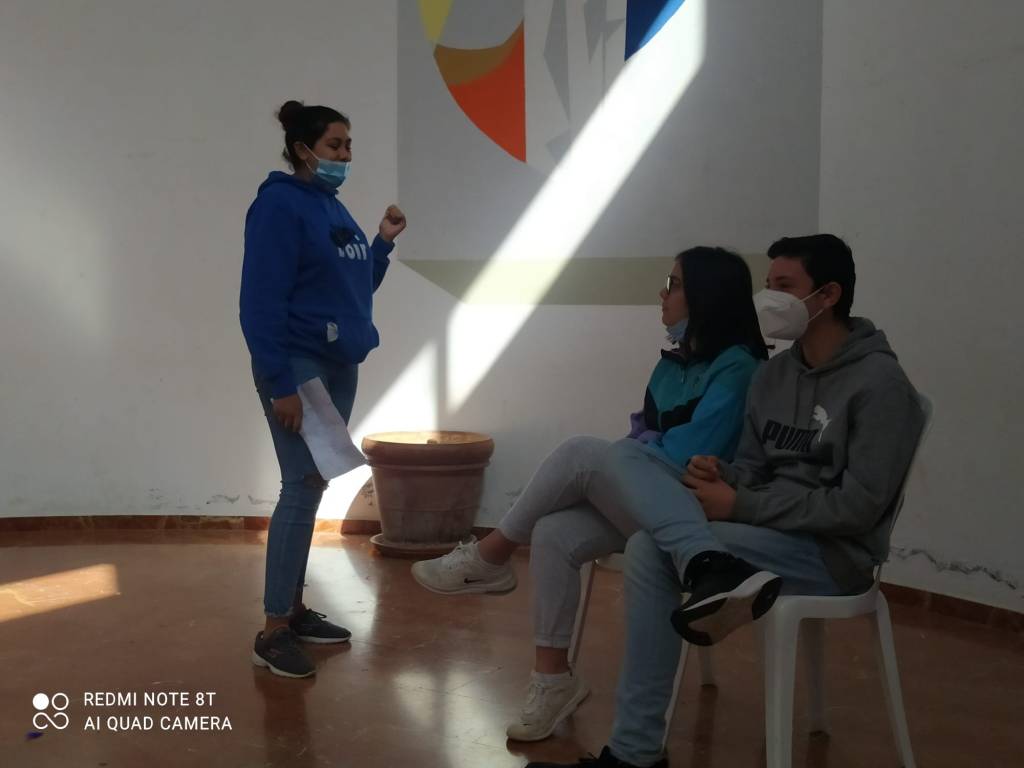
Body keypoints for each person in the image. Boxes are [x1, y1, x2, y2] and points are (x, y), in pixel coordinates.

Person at [530, 234, 926, 768]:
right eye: (767, 284)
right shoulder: (776, 374)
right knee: (646, 539)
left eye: (785, 286)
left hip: (833, 554)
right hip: (767, 533)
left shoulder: (881, 385)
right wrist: (722, 474)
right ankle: (636, 751)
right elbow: (755, 469)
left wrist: (741, 505)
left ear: (829, 295)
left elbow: (858, 510)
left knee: (649, 548)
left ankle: (634, 754)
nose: (770, 299)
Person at [413, 247, 768, 741]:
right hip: (650, 498)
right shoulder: (672, 365)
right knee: (553, 531)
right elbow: (645, 437)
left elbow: (689, 456)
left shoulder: (739, 368)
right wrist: (626, 465)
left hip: (694, 509)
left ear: (707, 296)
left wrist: (625, 463)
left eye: (675, 284)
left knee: (584, 453)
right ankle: (553, 679)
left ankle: (491, 555)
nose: (662, 294)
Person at [240, 100, 407, 679]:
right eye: (335, 145)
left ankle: (292, 609)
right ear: (302, 149)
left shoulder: (332, 208)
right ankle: (273, 630)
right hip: (298, 365)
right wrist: (280, 382)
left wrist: (381, 242)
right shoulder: (279, 205)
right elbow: (259, 301)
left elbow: (353, 287)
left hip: (339, 363)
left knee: (312, 486)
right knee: (300, 484)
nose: (346, 155)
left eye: (349, 145)